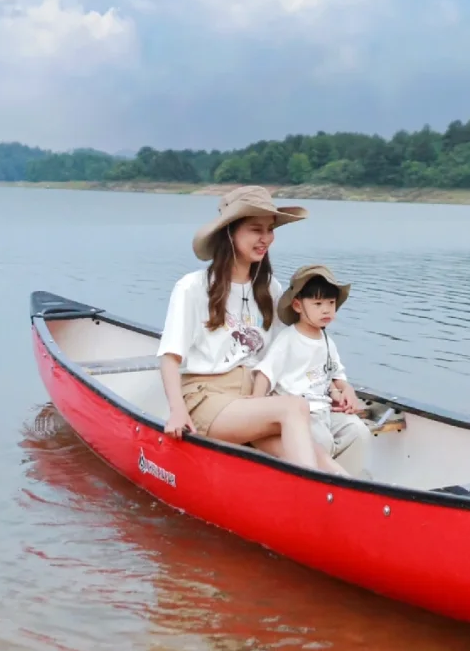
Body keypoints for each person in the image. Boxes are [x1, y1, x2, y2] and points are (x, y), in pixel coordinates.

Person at [158, 185, 326, 471]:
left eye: (270, 229)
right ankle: (315, 492)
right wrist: (177, 411)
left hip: (253, 398)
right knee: (294, 407)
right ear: (230, 233)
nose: (266, 239)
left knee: (316, 455)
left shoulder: (270, 288)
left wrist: (335, 384)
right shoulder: (193, 287)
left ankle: (350, 497)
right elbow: (169, 358)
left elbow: (284, 351)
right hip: (206, 397)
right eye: (255, 229)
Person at [251, 265, 371, 477]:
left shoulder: (326, 341)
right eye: (317, 304)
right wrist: (254, 408)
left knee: (359, 432)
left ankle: (349, 483)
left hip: (325, 409)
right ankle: (321, 485)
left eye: (331, 303)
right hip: (302, 414)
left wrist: (347, 391)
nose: (326, 310)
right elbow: (265, 374)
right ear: (297, 305)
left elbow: (337, 375)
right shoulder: (288, 339)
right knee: (320, 440)